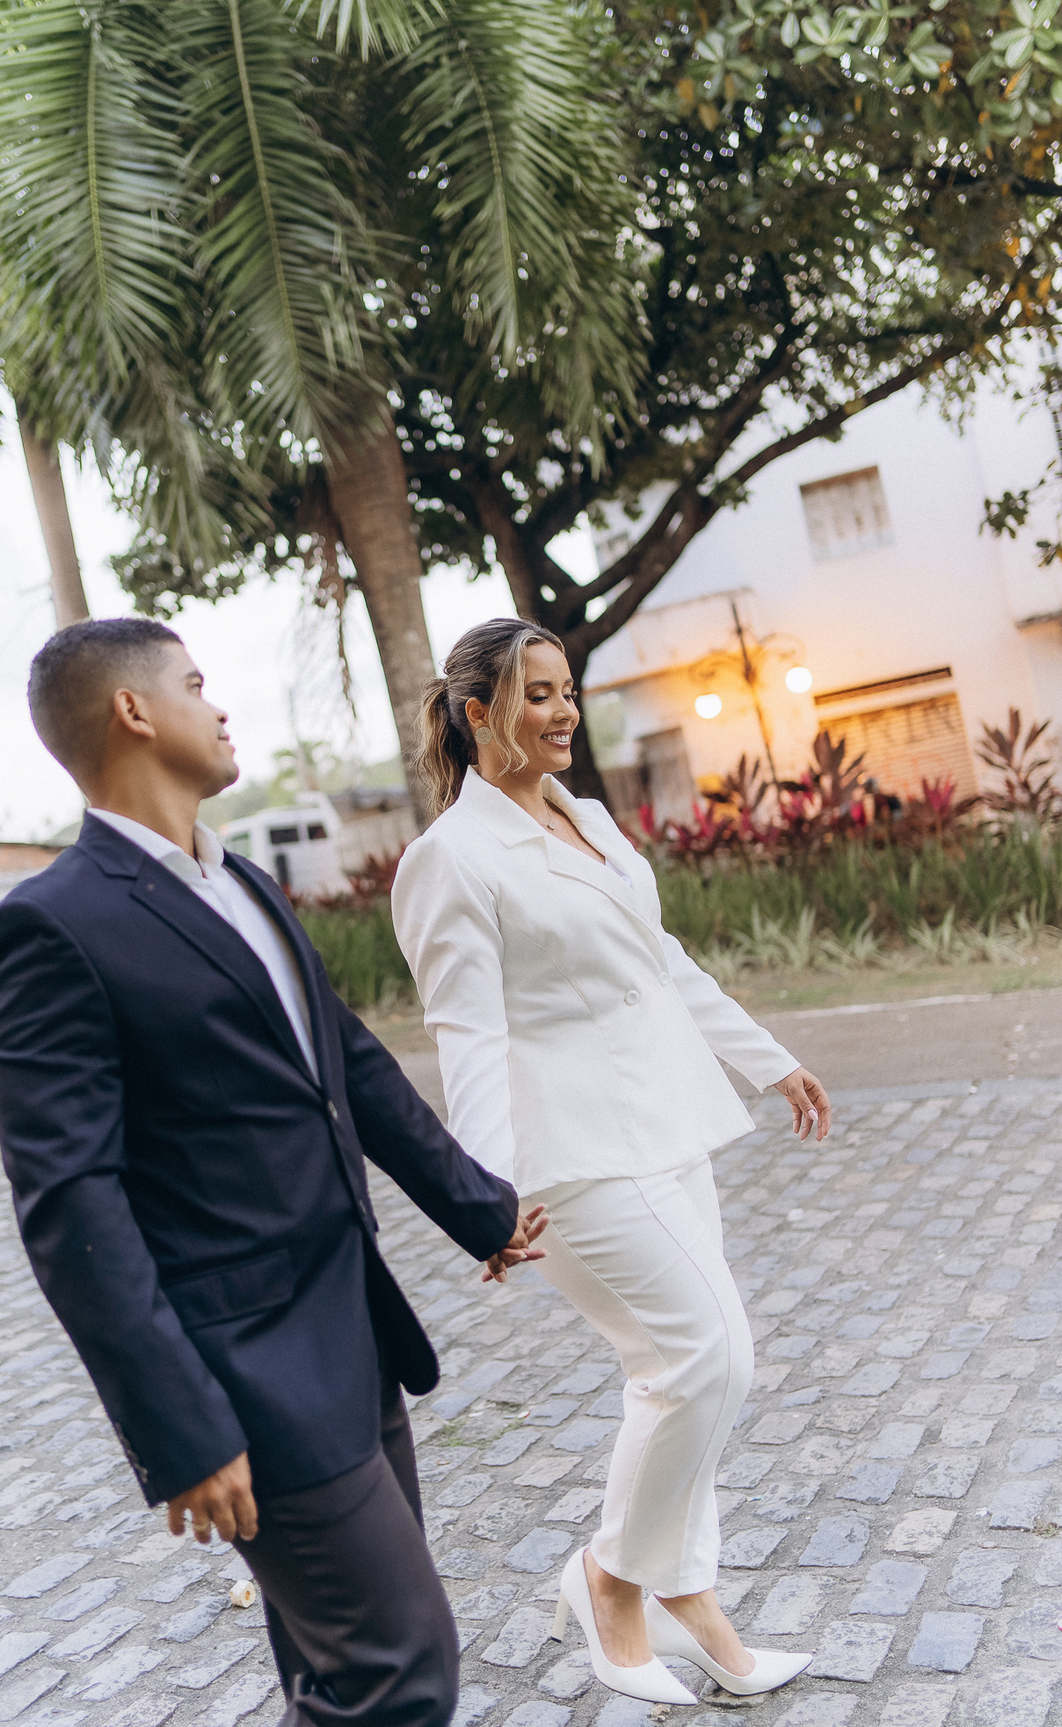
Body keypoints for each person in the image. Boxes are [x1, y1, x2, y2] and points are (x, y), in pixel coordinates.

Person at [0, 618, 548, 1727]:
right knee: (399, 1661)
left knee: (337, 1676)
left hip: (349, 1332)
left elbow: (349, 1071)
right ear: (134, 713)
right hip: (246, 1375)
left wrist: (480, 1208)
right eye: (195, 684)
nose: (219, 705)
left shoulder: (242, 885)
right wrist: (179, 1428)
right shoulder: (50, 928)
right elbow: (70, 1206)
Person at [391, 618, 833, 1705]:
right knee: (705, 1356)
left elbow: (659, 959)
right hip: (570, 1153)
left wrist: (767, 1061)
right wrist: (484, 1196)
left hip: (669, 1122)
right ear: (476, 712)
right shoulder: (448, 860)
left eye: (566, 691)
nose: (559, 713)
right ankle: (610, 1580)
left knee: (682, 1370)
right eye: (532, 694)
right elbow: (472, 1036)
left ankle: (692, 1601)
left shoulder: (584, 815)